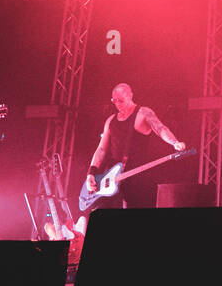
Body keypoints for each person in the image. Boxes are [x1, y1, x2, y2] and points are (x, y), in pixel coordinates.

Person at [75, 83, 185, 235]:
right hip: (111, 177)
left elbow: (160, 128)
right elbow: (101, 149)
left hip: (136, 177)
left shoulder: (143, 113)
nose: (118, 104)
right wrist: (91, 172)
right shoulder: (111, 120)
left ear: (130, 95)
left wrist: (174, 142)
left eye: (121, 100)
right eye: (114, 101)